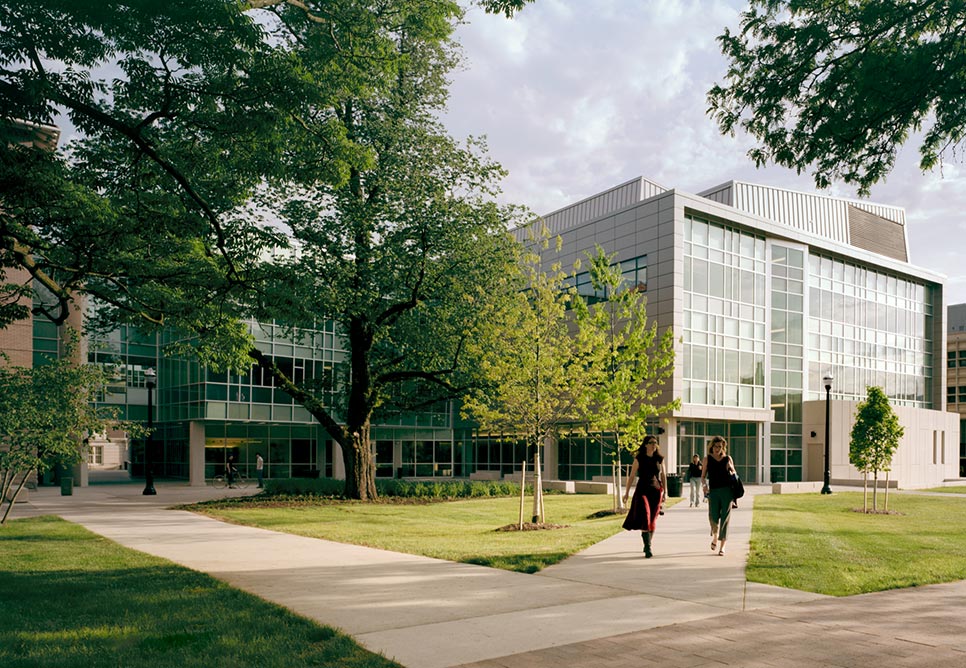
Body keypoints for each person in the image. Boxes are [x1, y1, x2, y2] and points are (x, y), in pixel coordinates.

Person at [621, 435, 667, 558]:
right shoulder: (639, 458)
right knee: (645, 517)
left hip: (656, 491)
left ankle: (648, 542)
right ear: (646, 444)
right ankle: (648, 547)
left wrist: (665, 493)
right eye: (651, 442)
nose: (654, 445)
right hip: (642, 491)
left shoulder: (660, 459)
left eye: (655, 443)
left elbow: (663, 476)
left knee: (652, 520)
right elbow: (631, 476)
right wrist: (626, 493)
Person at [701, 435, 736, 556]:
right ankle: (715, 536)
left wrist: (731, 469)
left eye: (720, 447)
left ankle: (723, 546)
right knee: (713, 516)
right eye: (715, 446)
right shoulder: (707, 459)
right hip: (714, 491)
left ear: (723, 447)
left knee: (725, 518)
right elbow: (703, 476)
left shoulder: (727, 458)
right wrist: (704, 486)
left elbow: (734, 475)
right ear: (712, 446)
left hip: (727, 491)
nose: (717, 449)